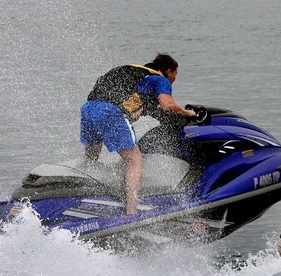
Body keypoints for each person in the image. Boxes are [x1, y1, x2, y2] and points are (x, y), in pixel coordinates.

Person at [80, 53, 196, 215]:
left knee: (91, 158)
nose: (173, 80)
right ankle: (131, 212)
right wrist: (188, 113)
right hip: (109, 111)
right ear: (169, 71)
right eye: (175, 75)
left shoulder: (136, 75)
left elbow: (154, 111)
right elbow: (168, 106)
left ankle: (82, 198)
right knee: (135, 161)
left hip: (88, 109)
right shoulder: (159, 79)